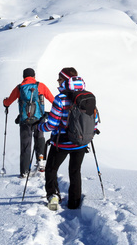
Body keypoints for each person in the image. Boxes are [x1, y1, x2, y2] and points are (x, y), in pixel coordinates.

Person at [42, 67, 98, 210]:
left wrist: (40, 127)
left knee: (51, 169)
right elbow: (95, 120)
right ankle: (74, 202)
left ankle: (53, 195)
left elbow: (52, 125)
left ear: (66, 80)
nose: (58, 81)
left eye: (59, 79)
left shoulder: (60, 99)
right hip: (81, 143)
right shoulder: (87, 97)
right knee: (75, 171)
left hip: (62, 143)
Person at [3, 68, 55, 177]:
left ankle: (24, 171)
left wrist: (5, 102)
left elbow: (8, 102)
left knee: (25, 145)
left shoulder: (19, 88)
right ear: (34, 76)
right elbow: (52, 100)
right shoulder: (40, 86)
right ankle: (41, 160)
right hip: (39, 119)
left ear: (23, 77)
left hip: (24, 120)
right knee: (39, 138)